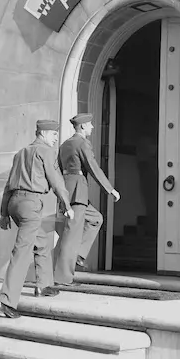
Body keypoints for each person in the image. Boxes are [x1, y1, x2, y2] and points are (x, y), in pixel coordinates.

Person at [0, 120, 73, 319]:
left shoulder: (21, 152)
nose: (55, 138)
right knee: (22, 253)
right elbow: (56, 180)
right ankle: (6, 300)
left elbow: (8, 184)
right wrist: (67, 205)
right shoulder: (46, 152)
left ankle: (44, 285)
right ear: (44, 134)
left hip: (15, 202)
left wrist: (4, 213)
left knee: (42, 242)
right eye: (54, 134)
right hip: (31, 203)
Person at [54, 113, 120, 287]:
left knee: (95, 218)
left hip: (69, 189)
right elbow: (93, 167)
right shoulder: (82, 143)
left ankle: (78, 255)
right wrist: (110, 189)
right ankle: (63, 278)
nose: (92, 127)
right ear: (82, 127)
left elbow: (59, 168)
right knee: (71, 235)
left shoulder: (64, 145)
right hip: (78, 191)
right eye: (90, 125)